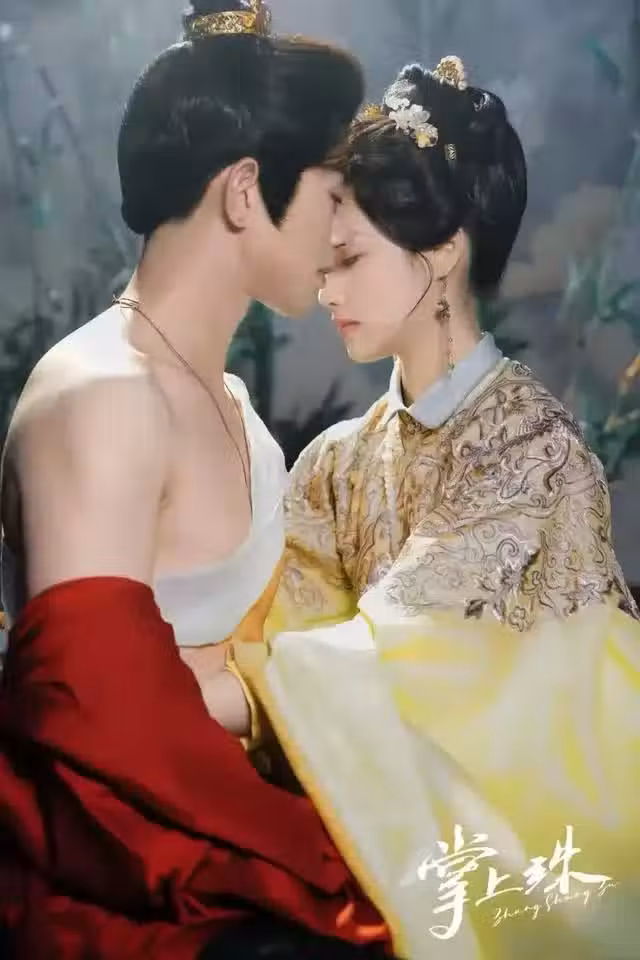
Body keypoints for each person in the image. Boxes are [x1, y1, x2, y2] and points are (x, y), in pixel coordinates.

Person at [0, 2, 391, 957]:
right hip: (124, 878)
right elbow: (89, 721)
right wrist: (273, 696)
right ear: (247, 191)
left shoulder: (232, 407)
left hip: (226, 824)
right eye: (336, 195)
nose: (349, 233)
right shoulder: (103, 395)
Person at [233, 57, 640, 959]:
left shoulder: (531, 446)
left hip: (536, 843)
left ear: (446, 247)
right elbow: (281, 633)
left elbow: (401, 652)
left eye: (348, 260)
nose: (326, 291)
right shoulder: (338, 460)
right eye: (322, 265)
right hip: (380, 828)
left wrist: (208, 689)